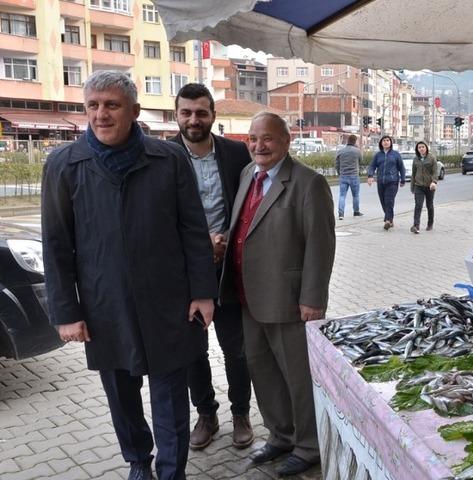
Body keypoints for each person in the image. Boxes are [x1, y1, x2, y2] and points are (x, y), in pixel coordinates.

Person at [41, 71, 216, 480]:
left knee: (170, 395)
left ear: (135, 111)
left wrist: (203, 292)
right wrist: (66, 312)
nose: (101, 114)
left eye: (112, 105)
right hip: (106, 305)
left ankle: (172, 471)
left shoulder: (168, 158)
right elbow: (55, 244)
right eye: (93, 105)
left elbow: (193, 229)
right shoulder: (64, 165)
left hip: (169, 302)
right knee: (121, 393)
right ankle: (139, 460)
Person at [223, 112, 336, 477]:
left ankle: (308, 445)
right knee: (262, 371)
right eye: (253, 139)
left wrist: (313, 298)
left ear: (286, 141)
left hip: (289, 300)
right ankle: (280, 435)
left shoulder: (308, 183)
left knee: (297, 377)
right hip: (248, 295)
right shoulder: (247, 175)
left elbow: (320, 245)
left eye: (267, 138)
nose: (259, 145)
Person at [170, 83, 254, 451]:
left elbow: (253, 203)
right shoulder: (162, 155)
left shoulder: (237, 153)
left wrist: (225, 241)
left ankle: (241, 413)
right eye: (186, 112)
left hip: (230, 272)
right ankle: (206, 414)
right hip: (184, 274)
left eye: (201, 112)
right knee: (193, 350)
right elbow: (156, 215)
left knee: (236, 348)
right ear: (176, 115)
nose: (193, 119)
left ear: (212, 116)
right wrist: (203, 242)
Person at [367, 135, 405, 230]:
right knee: (383, 202)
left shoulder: (396, 154)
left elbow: (401, 168)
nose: (386, 142)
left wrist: (403, 179)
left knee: (389, 201)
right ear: (381, 143)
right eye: (384, 140)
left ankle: (387, 220)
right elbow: (372, 166)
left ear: (391, 142)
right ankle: (390, 220)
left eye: (388, 140)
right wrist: (370, 176)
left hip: (392, 181)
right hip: (380, 181)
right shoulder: (378, 155)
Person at [410, 141, 438, 234]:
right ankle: (416, 225)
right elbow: (413, 174)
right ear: (417, 149)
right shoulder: (416, 159)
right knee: (418, 205)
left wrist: (434, 182)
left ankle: (430, 224)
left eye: (423, 147)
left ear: (426, 147)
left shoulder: (431, 158)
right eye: (419, 147)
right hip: (418, 186)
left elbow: (435, 172)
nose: (421, 149)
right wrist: (412, 186)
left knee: (429, 205)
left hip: (429, 186)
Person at [335, 134, 363, 220]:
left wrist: (340, 173)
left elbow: (337, 164)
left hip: (343, 176)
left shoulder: (340, 151)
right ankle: (356, 212)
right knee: (355, 195)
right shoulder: (357, 151)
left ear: (348, 141)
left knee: (342, 195)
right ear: (355, 141)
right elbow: (361, 161)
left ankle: (341, 214)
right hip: (354, 176)